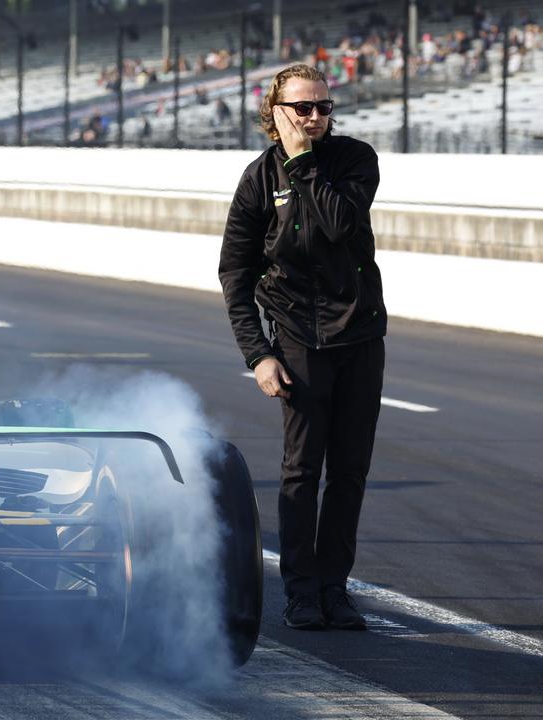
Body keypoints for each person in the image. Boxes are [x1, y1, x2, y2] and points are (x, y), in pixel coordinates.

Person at [218, 63, 385, 632]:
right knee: (300, 470)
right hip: (296, 336)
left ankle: (335, 587)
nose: (315, 117)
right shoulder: (258, 178)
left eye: (323, 108)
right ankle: (300, 591)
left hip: (359, 333)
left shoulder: (355, 160)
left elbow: (339, 224)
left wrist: (304, 163)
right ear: (277, 112)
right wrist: (258, 354)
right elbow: (235, 274)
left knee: (350, 469)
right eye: (303, 108)